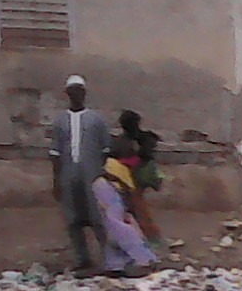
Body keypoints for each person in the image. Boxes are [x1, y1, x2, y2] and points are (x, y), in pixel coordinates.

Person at [49, 74, 111, 273]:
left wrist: (102, 177)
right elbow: (55, 153)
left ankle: (110, 257)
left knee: (98, 217)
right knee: (72, 218)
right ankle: (82, 258)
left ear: (84, 93)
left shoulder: (97, 120)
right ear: (67, 93)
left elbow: (105, 151)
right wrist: (56, 181)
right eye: (72, 90)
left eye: (79, 90)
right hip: (68, 175)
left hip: (92, 175)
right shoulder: (60, 121)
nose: (76, 94)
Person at [89, 134, 158, 277]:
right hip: (109, 189)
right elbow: (130, 191)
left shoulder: (111, 163)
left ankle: (115, 264)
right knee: (120, 226)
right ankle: (143, 260)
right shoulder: (121, 165)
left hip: (104, 187)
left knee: (112, 226)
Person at [117, 109, 164, 242]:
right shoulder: (143, 138)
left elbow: (135, 161)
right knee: (135, 206)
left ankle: (151, 237)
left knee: (136, 206)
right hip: (139, 177)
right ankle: (145, 235)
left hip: (134, 178)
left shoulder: (127, 141)